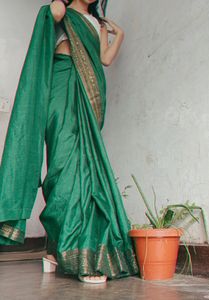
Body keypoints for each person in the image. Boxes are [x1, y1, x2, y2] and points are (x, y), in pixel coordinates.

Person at [0, 0, 138, 284]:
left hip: (88, 99)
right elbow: (49, 23)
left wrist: (118, 34)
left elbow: (105, 59)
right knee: (63, 170)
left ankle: (56, 251)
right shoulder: (61, 12)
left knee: (86, 174)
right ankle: (65, 246)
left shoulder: (95, 24)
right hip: (61, 90)